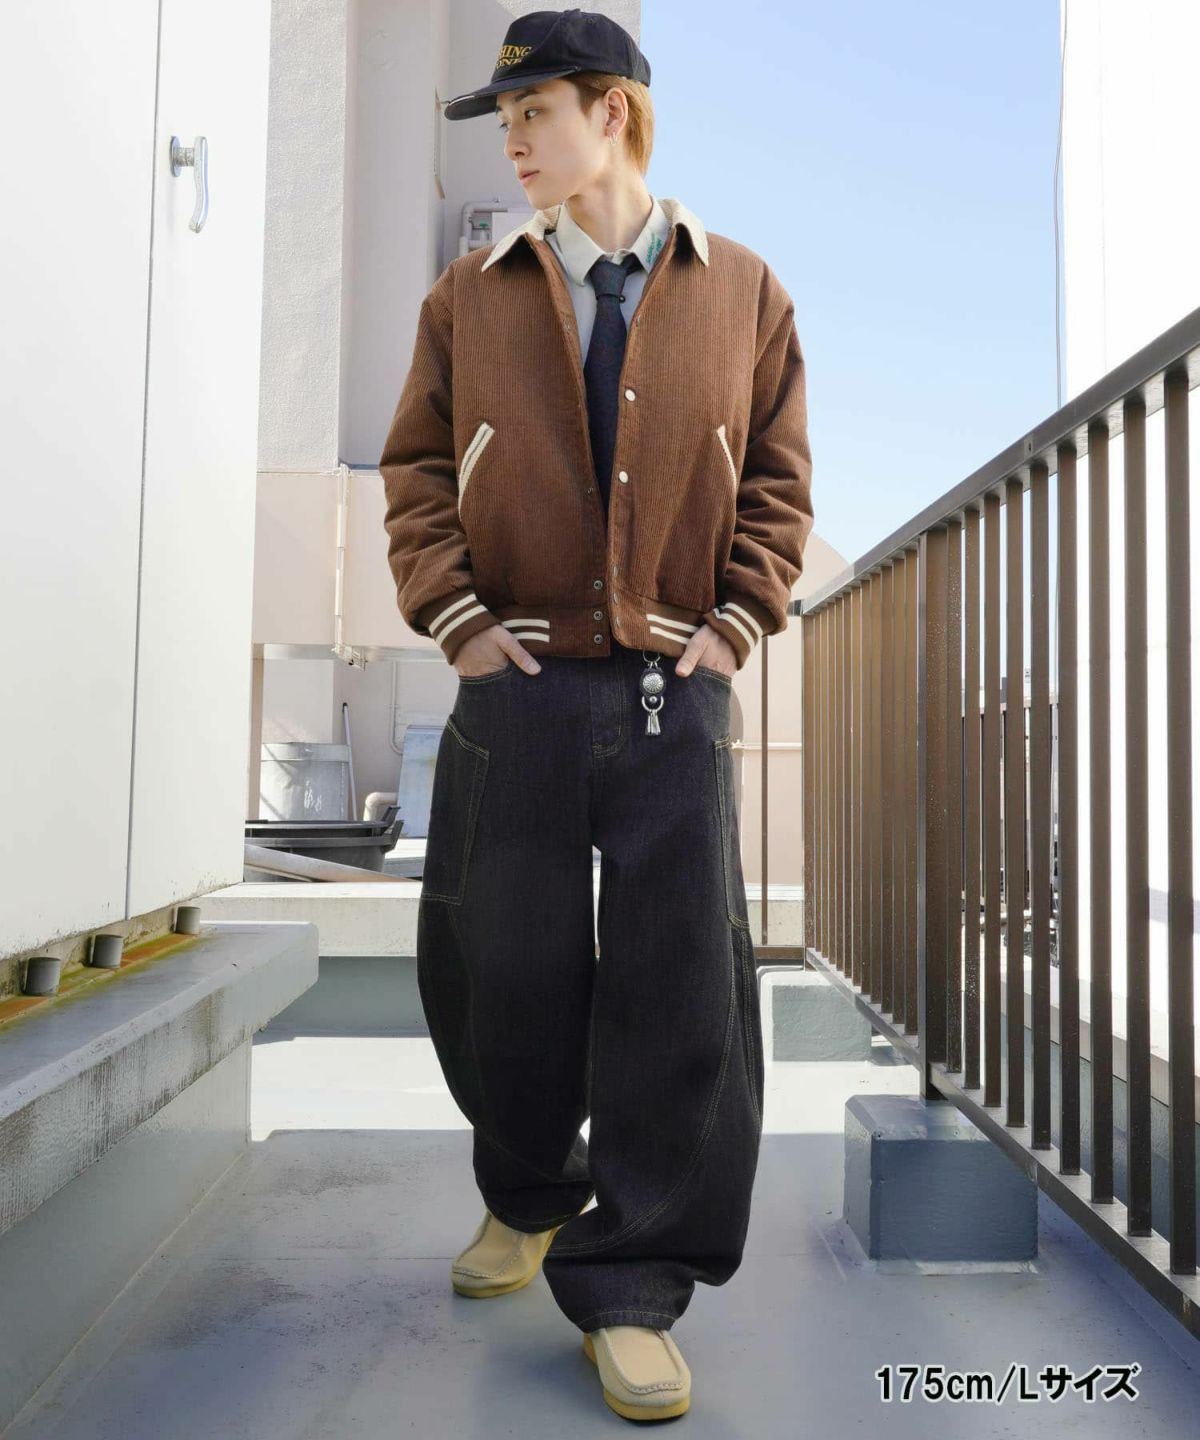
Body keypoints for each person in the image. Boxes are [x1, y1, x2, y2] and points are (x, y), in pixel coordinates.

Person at [379, 7, 813, 1422]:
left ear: (611, 111)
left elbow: (778, 483)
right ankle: (527, 1192)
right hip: (514, 684)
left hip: (673, 687)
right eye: (502, 122)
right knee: (496, 964)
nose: (511, 143)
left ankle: (631, 1287)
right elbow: (417, 471)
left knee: (678, 987)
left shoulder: (745, 291)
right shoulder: (469, 296)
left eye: (533, 114)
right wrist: (457, 617)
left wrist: (737, 621)